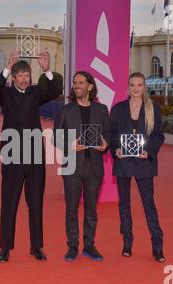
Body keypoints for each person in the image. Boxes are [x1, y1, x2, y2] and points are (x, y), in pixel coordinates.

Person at [0, 51, 62, 262]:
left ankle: (36, 247)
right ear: (13, 77)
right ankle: (5, 247)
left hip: (34, 156)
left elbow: (55, 90)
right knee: (9, 203)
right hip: (12, 154)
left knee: (35, 202)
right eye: (19, 75)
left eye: (26, 75)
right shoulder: (4, 94)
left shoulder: (35, 93)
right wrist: (7, 65)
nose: (23, 79)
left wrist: (47, 68)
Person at [109, 72, 166, 262]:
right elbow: (111, 134)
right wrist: (116, 148)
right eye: (132, 85)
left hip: (144, 163)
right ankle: (127, 243)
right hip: (123, 162)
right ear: (127, 88)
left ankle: (157, 246)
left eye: (139, 85)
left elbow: (158, 136)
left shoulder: (153, 109)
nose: (135, 89)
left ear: (144, 88)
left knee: (149, 204)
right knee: (124, 204)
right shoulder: (118, 109)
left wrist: (148, 151)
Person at [53, 71, 109, 262]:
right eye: (75, 83)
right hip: (72, 166)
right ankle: (73, 246)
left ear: (90, 86)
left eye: (81, 82)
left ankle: (90, 245)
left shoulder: (102, 110)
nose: (77, 85)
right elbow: (55, 137)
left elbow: (108, 134)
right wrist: (70, 145)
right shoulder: (65, 111)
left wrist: (105, 145)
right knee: (71, 208)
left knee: (91, 209)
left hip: (94, 166)